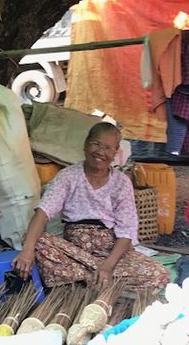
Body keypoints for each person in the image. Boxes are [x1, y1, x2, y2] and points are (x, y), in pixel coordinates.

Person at [12, 122, 169, 293]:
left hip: (110, 252)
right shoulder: (69, 176)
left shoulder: (121, 182)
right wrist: (27, 251)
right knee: (35, 240)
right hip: (74, 252)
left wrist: (107, 267)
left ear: (115, 152)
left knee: (158, 274)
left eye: (108, 148)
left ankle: (80, 281)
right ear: (86, 144)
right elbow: (43, 213)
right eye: (96, 144)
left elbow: (126, 232)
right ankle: (99, 282)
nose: (101, 152)